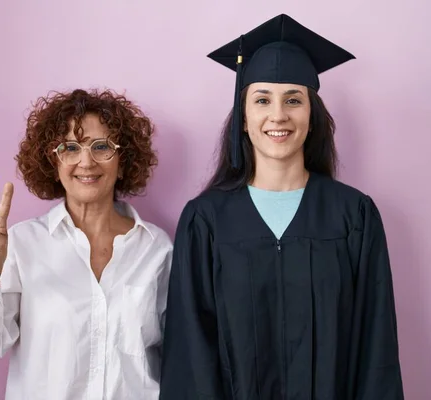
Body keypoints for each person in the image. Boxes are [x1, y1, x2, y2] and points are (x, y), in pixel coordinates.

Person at [159, 14, 404, 399]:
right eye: (262, 100)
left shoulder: (353, 216)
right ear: (244, 117)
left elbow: (376, 346)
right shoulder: (206, 221)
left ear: (312, 115)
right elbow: (190, 354)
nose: (278, 115)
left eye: (294, 99)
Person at [0, 88, 173, 400]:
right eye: (70, 147)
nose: (86, 161)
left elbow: (178, 358)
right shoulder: (23, 244)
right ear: (53, 162)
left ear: (123, 162)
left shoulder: (157, 249)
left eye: (102, 147)